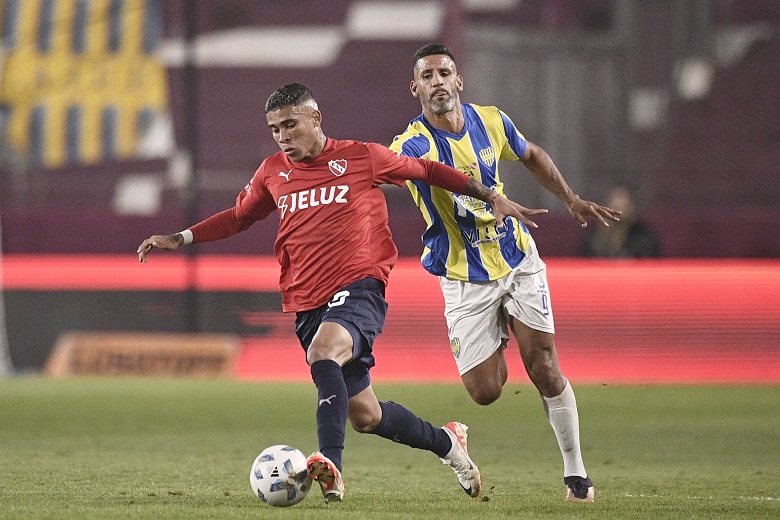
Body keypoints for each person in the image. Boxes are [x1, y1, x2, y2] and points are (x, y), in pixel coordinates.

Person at [137, 83, 544, 503]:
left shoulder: (362, 157)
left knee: (323, 350)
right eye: (275, 129)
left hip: (359, 285)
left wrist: (489, 194)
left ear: (315, 118)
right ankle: (448, 444)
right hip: (306, 302)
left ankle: (330, 466)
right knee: (366, 416)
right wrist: (180, 237)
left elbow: (426, 170)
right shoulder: (272, 171)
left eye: (290, 125)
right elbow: (239, 217)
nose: (282, 137)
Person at [390, 44, 622, 502]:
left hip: (516, 259)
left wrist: (570, 198)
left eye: (444, 73)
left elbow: (531, 153)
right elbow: (414, 172)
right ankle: (492, 341)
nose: (438, 82)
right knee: (485, 391)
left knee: (544, 366)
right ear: (415, 89)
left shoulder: (491, 120)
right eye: (427, 76)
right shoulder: (411, 145)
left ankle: (576, 474)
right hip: (463, 276)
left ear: (459, 81)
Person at [580, 186, 661, 258]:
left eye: (624, 206)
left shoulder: (643, 238)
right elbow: (585, 262)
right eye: (615, 206)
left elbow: (649, 262)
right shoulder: (594, 239)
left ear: (631, 208)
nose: (618, 211)